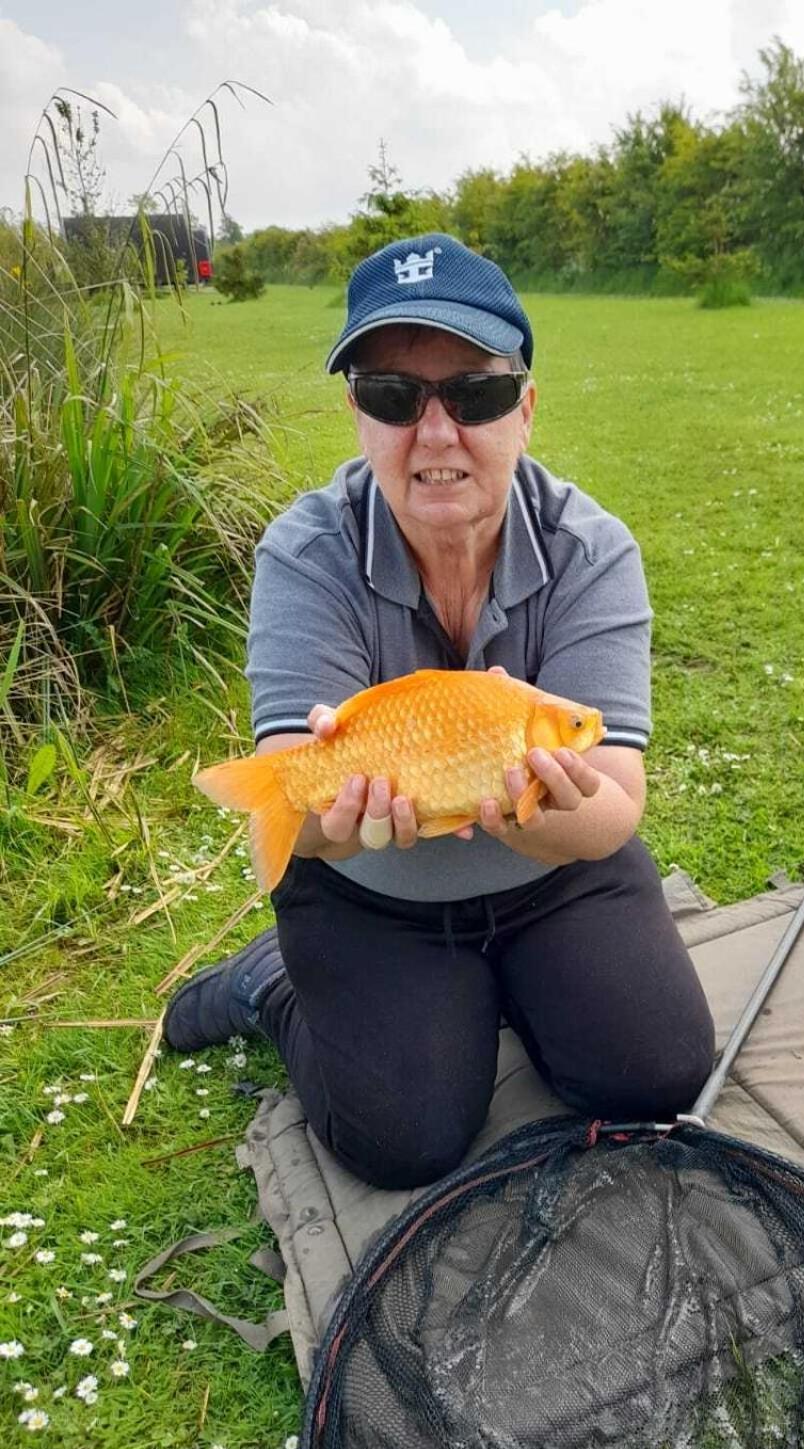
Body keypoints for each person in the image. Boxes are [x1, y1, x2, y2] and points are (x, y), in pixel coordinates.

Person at [164, 233, 715, 1189]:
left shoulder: (594, 550)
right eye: (392, 397)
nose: (436, 433)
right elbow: (302, 791)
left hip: (557, 874)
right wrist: (334, 829)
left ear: (526, 409)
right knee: (403, 1140)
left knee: (654, 1076)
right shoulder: (308, 554)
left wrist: (540, 811)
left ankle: (505, 984)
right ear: (358, 416)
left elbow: (616, 801)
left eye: (476, 393)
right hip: (373, 889)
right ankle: (272, 985)